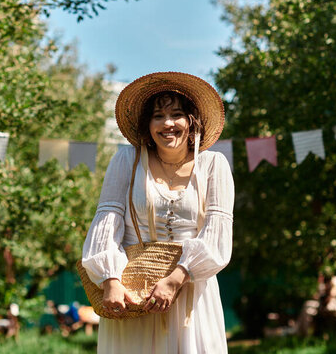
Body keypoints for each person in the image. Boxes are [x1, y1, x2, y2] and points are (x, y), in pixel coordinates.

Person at [81, 72, 234, 353]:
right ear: (147, 125)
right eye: (158, 116)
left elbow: (217, 236)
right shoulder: (127, 160)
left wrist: (175, 279)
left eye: (177, 114)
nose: (168, 124)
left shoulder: (214, 165)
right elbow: (106, 221)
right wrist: (111, 281)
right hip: (132, 292)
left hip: (190, 293)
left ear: (192, 121)